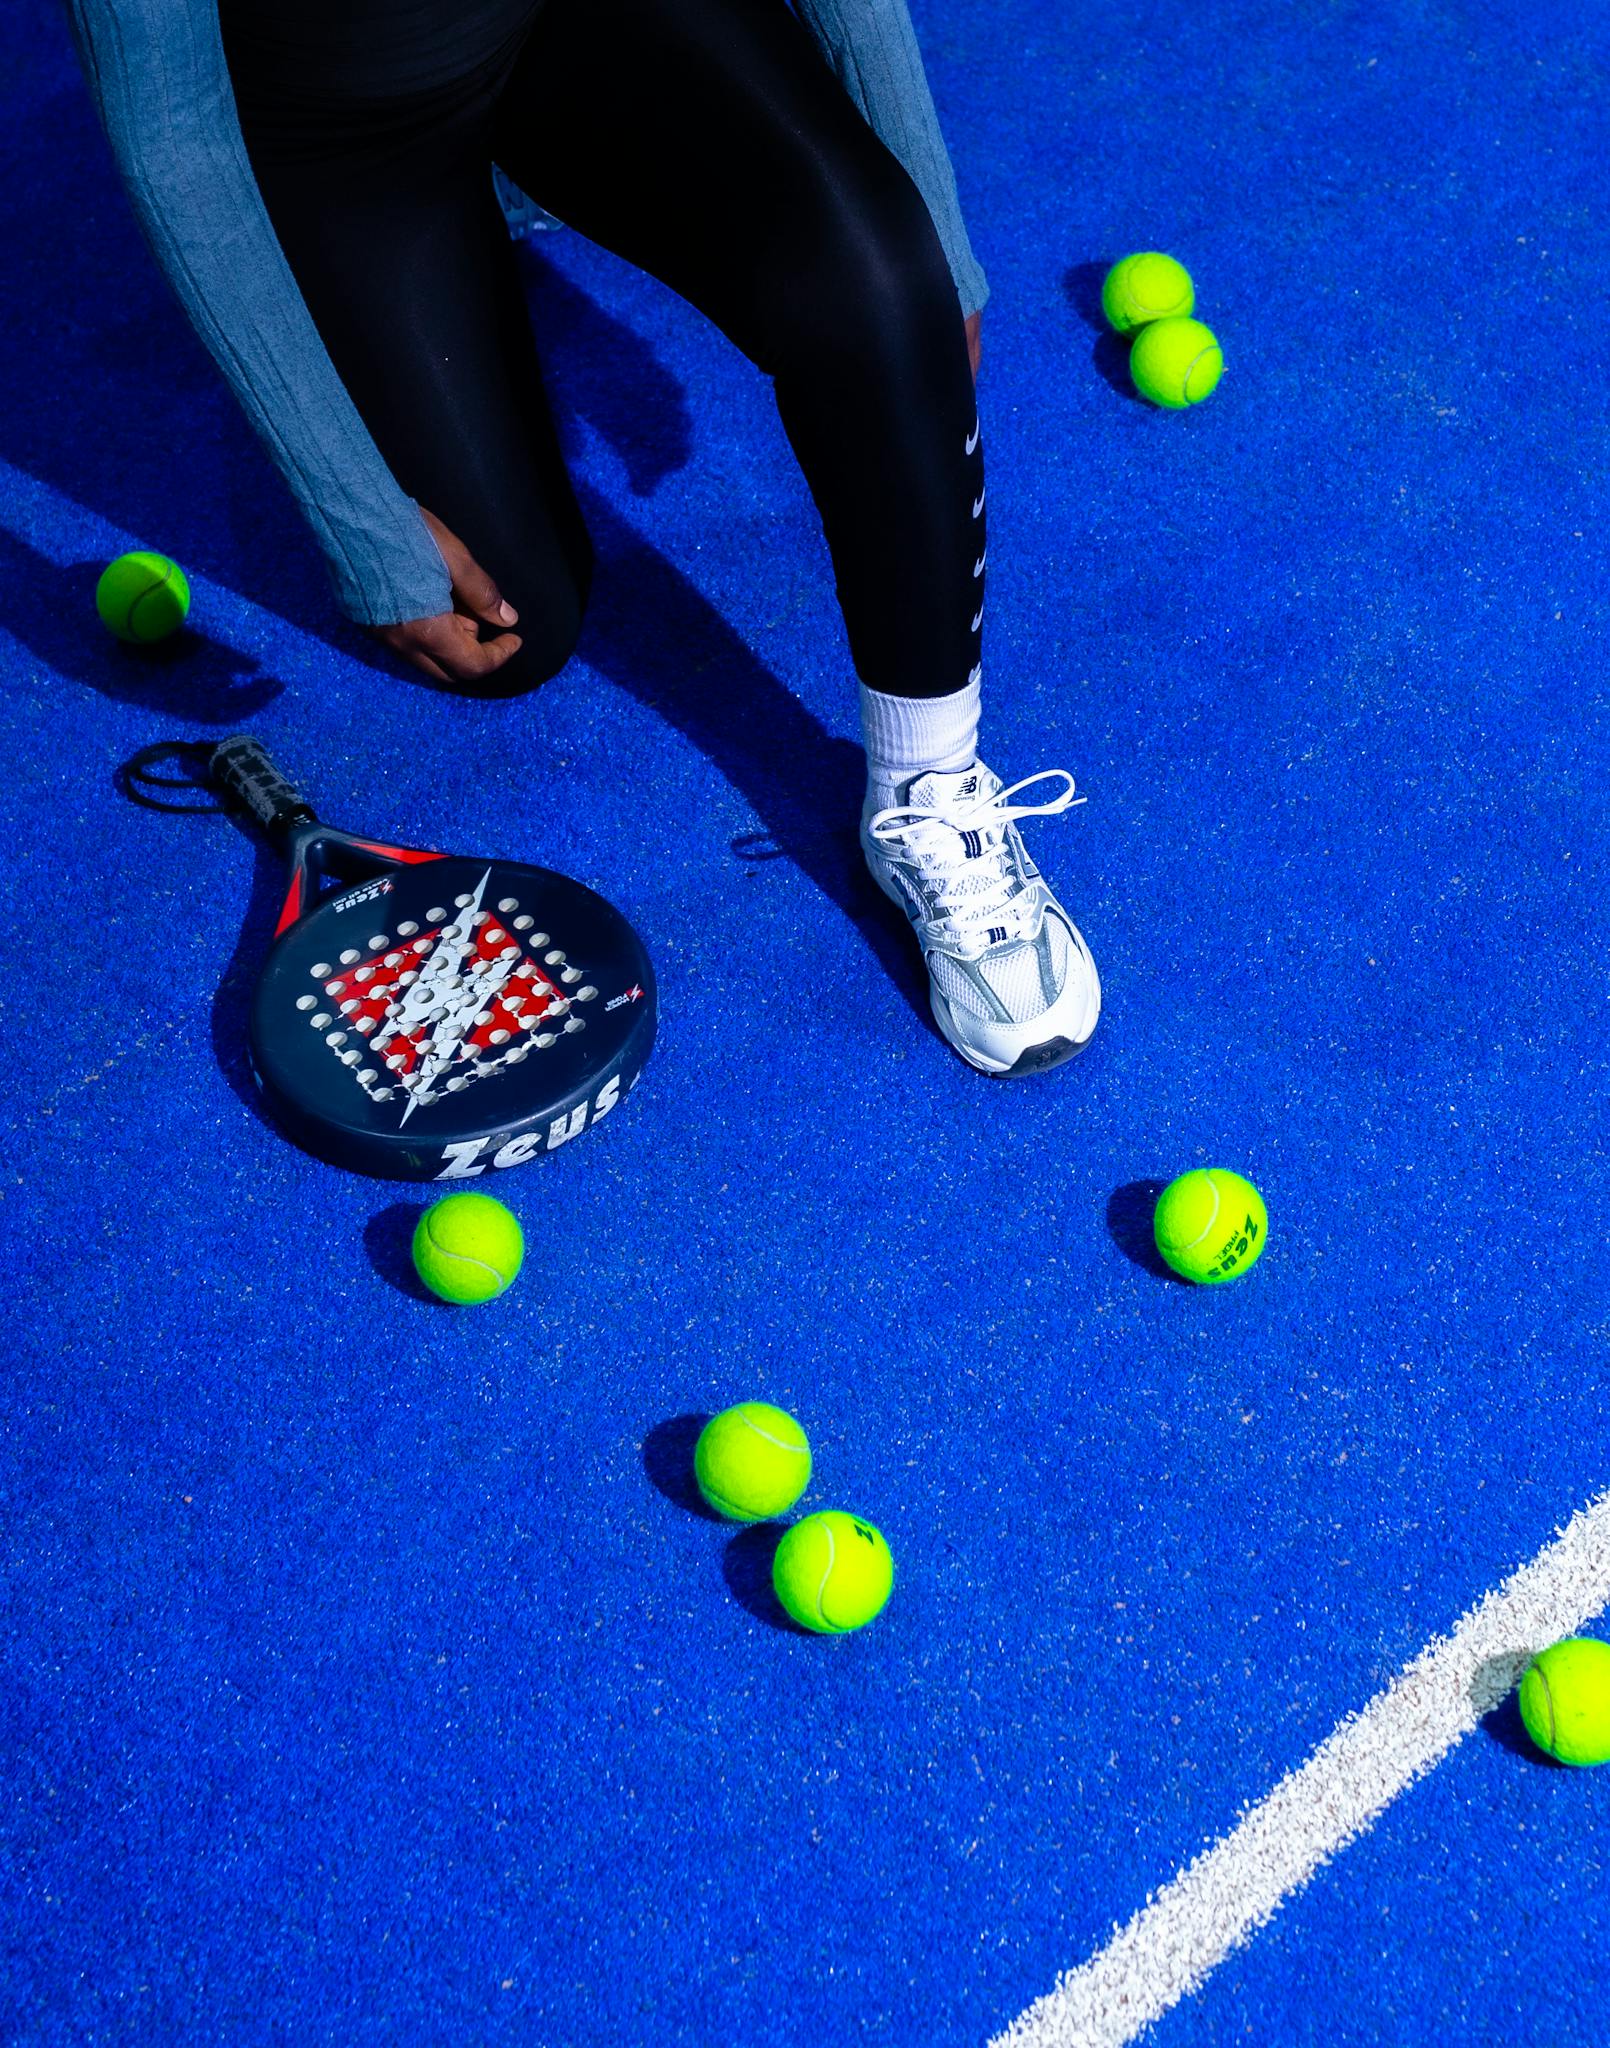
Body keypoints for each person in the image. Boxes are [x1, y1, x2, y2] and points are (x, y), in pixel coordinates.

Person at [66, 0, 1100, 1075]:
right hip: (336, 128)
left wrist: (925, 236)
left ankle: (924, 783)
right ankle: (470, 217)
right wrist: (355, 515)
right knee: (512, 620)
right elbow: (173, 130)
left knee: (874, 284)